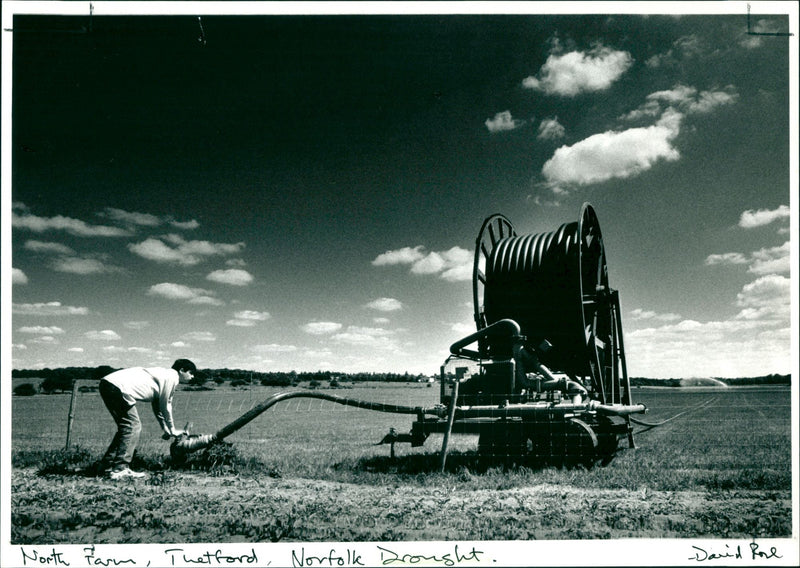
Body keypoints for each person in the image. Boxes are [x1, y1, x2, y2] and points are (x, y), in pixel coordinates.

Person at [98, 358, 196, 479]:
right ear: (182, 370)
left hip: (108, 384)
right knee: (133, 426)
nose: (192, 377)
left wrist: (165, 428)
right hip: (117, 387)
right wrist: (173, 429)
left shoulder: (164, 375)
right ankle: (120, 468)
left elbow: (157, 405)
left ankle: (105, 466)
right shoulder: (172, 377)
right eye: (191, 373)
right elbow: (166, 406)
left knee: (127, 427)